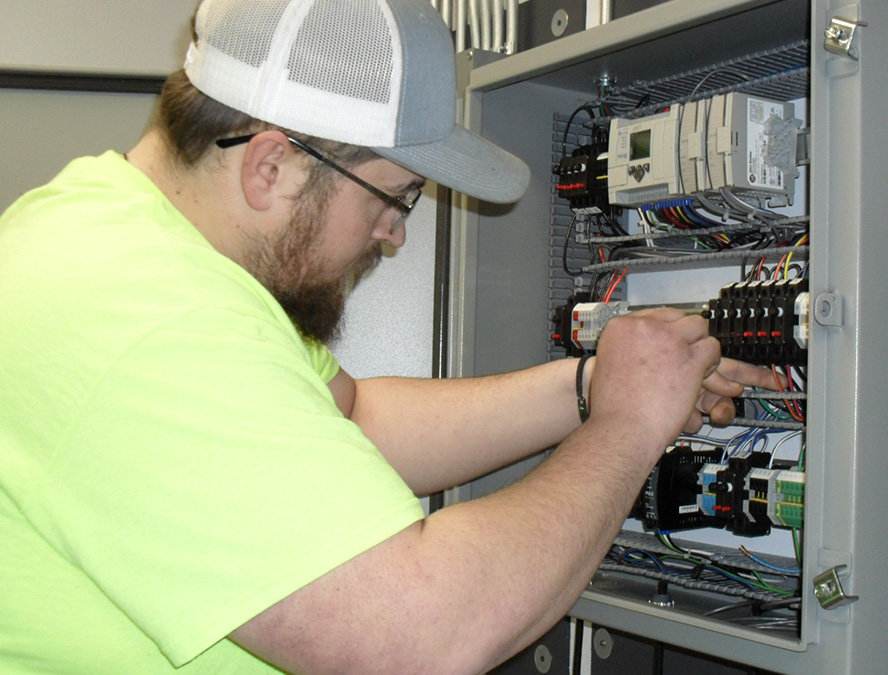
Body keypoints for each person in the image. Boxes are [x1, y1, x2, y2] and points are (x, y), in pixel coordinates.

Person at [0, 0, 777, 672]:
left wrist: (592, 384)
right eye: (395, 197)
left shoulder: (115, 230)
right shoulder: (149, 315)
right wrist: (628, 426)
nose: (394, 236)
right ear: (270, 166)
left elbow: (355, 419)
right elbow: (423, 636)